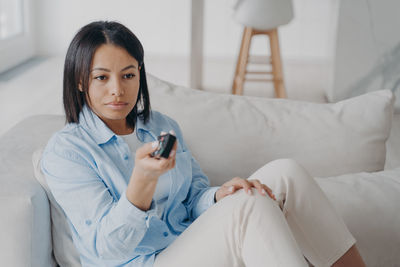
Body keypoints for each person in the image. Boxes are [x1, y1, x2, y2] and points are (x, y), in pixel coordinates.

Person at [41, 21, 366, 267]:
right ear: (81, 80)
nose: (117, 90)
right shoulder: (67, 152)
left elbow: (194, 196)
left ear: (139, 74)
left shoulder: (160, 126)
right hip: (142, 262)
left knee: (285, 174)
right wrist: (142, 181)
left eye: (128, 75)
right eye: (102, 77)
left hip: (188, 247)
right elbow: (106, 248)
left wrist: (217, 195)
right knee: (249, 206)